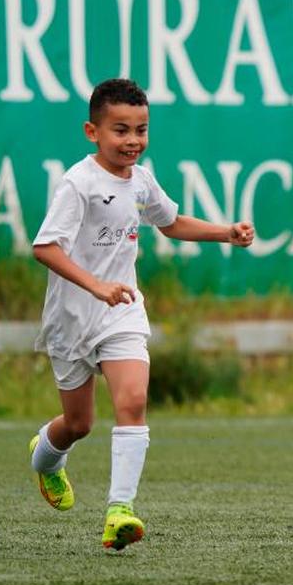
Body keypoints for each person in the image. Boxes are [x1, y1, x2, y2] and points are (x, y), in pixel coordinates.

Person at [28, 78, 255, 551]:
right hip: (74, 317)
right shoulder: (79, 184)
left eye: (141, 130)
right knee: (79, 424)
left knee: (131, 402)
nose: (132, 141)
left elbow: (170, 223)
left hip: (123, 311)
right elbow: (45, 248)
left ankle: (119, 512)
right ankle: (46, 459)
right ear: (93, 131)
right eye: (120, 130)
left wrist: (225, 232)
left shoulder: (143, 180)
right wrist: (95, 286)